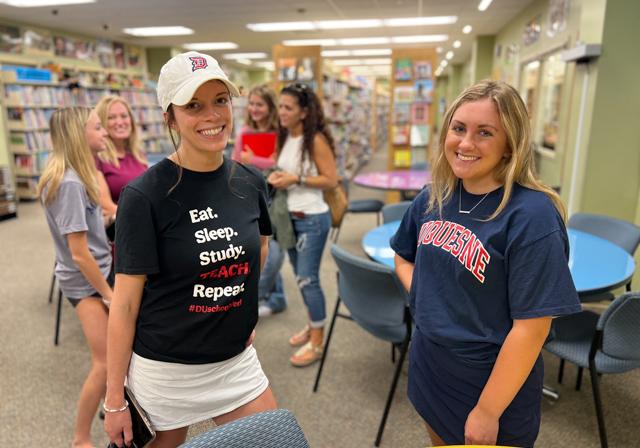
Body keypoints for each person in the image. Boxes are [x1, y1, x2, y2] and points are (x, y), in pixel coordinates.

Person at [390, 80, 581, 447]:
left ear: (510, 143)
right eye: (458, 128)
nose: (465, 143)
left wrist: (488, 411)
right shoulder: (434, 196)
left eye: (485, 133)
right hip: (429, 365)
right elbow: (403, 257)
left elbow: (532, 329)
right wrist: (431, 299)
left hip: (490, 385)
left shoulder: (532, 215)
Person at [104, 51, 277, 448]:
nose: (212, 116)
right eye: (193, 106)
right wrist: (115, 400)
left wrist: (243, 314)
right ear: (170, 117)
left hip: (234, 363)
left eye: (220, 100)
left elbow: (258, 253)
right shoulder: (145, 196)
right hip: (165, 369)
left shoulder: (249, 181)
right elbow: (125, 304)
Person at [37, 107, 113, 448]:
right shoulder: (69, 183)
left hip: (93, 271)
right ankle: (80, 439)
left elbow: (87, 233)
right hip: (85, 282)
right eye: (98, 128)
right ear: (78, 135)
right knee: (105, 362)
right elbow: (79, 253)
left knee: (117, 354)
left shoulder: (78, 175)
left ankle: (113, 406)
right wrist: (108, 295)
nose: (106, 133)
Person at [267, 83, 338, 367]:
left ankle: (318, 342)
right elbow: (283, 169)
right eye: (280, 106)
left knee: (309, 279)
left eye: (288, 108)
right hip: (289, 219)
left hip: (312, 220)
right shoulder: (285, 137)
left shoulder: (316, 140)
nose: (281, 112)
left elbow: (331, 179)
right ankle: (313, 324)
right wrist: (277, 177)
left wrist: (297, 180)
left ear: (304, 112)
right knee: (300, 277)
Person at [232, 84, 287, 317]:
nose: (254, 109)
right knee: (258, 247)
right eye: (251, 104)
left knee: (273, 251)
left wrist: (254, 159)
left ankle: (252, 301)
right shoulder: (244, 132)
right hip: (251, 196)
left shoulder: (280, 133)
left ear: (270, 107)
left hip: (278, 198)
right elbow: (235, 164)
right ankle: (277, 298)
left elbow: (281, 165)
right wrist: (253, 161)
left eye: (260, 104)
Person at [94, 95, 148, 225]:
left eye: (124, 116)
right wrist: (146, 221)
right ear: (101, 124)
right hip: (123, 232)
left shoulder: (138, 154)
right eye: (111, 117)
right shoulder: (97, 158)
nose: (119, 122)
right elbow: (106, 207)